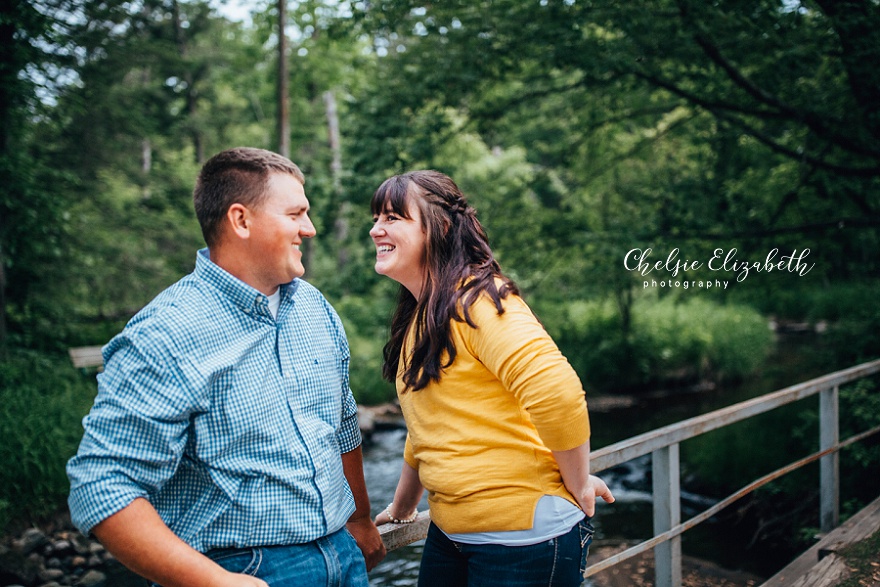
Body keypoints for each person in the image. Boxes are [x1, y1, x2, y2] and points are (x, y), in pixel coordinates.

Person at [67, 147, 386, 587]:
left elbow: (343, 423)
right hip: (239, 568)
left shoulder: (315, 308)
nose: (309, 229)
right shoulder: (165, 333)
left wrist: (362, 519)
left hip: (343, 556)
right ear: (241, 220)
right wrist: (215, 582)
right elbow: (100, 484)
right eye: (296, 214)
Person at [368, 170, 615, 586]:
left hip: (522, 541)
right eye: (376, 218)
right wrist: (402, 508)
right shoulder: (423, 315)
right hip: (452, 534)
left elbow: (558, 393)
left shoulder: (479, 300)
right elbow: (427, 424)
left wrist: (578, 481)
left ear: (440, 227)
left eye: (393, 217)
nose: (376, 229)